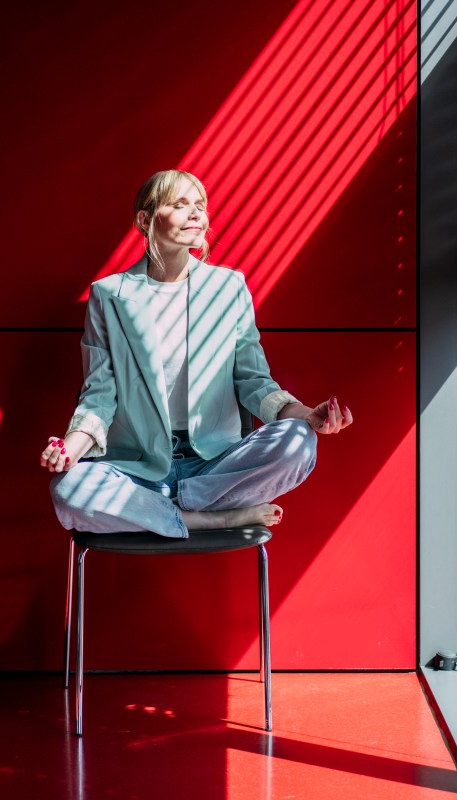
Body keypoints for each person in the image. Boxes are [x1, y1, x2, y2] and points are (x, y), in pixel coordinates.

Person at [42, 170, 353, 538]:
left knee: (299, 442)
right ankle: (210, 518)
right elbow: (99, 394)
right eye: (179, 204)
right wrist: (69, 448)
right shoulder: (109, 295)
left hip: (215, 465)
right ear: (145, 219)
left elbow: (254, 382)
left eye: (200, 207)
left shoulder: (229, 288)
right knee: (68, 488)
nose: (196, 215)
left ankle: (163, 513)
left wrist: (307, 415)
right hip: (139, 468)